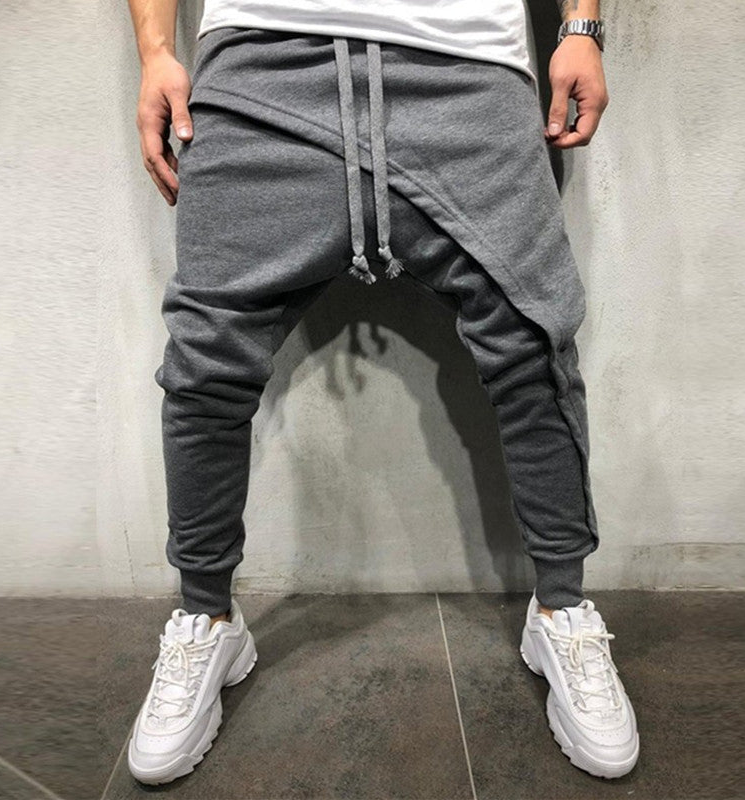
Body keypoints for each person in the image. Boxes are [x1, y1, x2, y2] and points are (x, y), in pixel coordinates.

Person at [125, 0, 639, 785]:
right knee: (205, 366)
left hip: (468, 63)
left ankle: (561, 610)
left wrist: (581, 26)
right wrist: (155, 50)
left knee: (534, 348)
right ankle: (206, 619)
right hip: (260, 65)